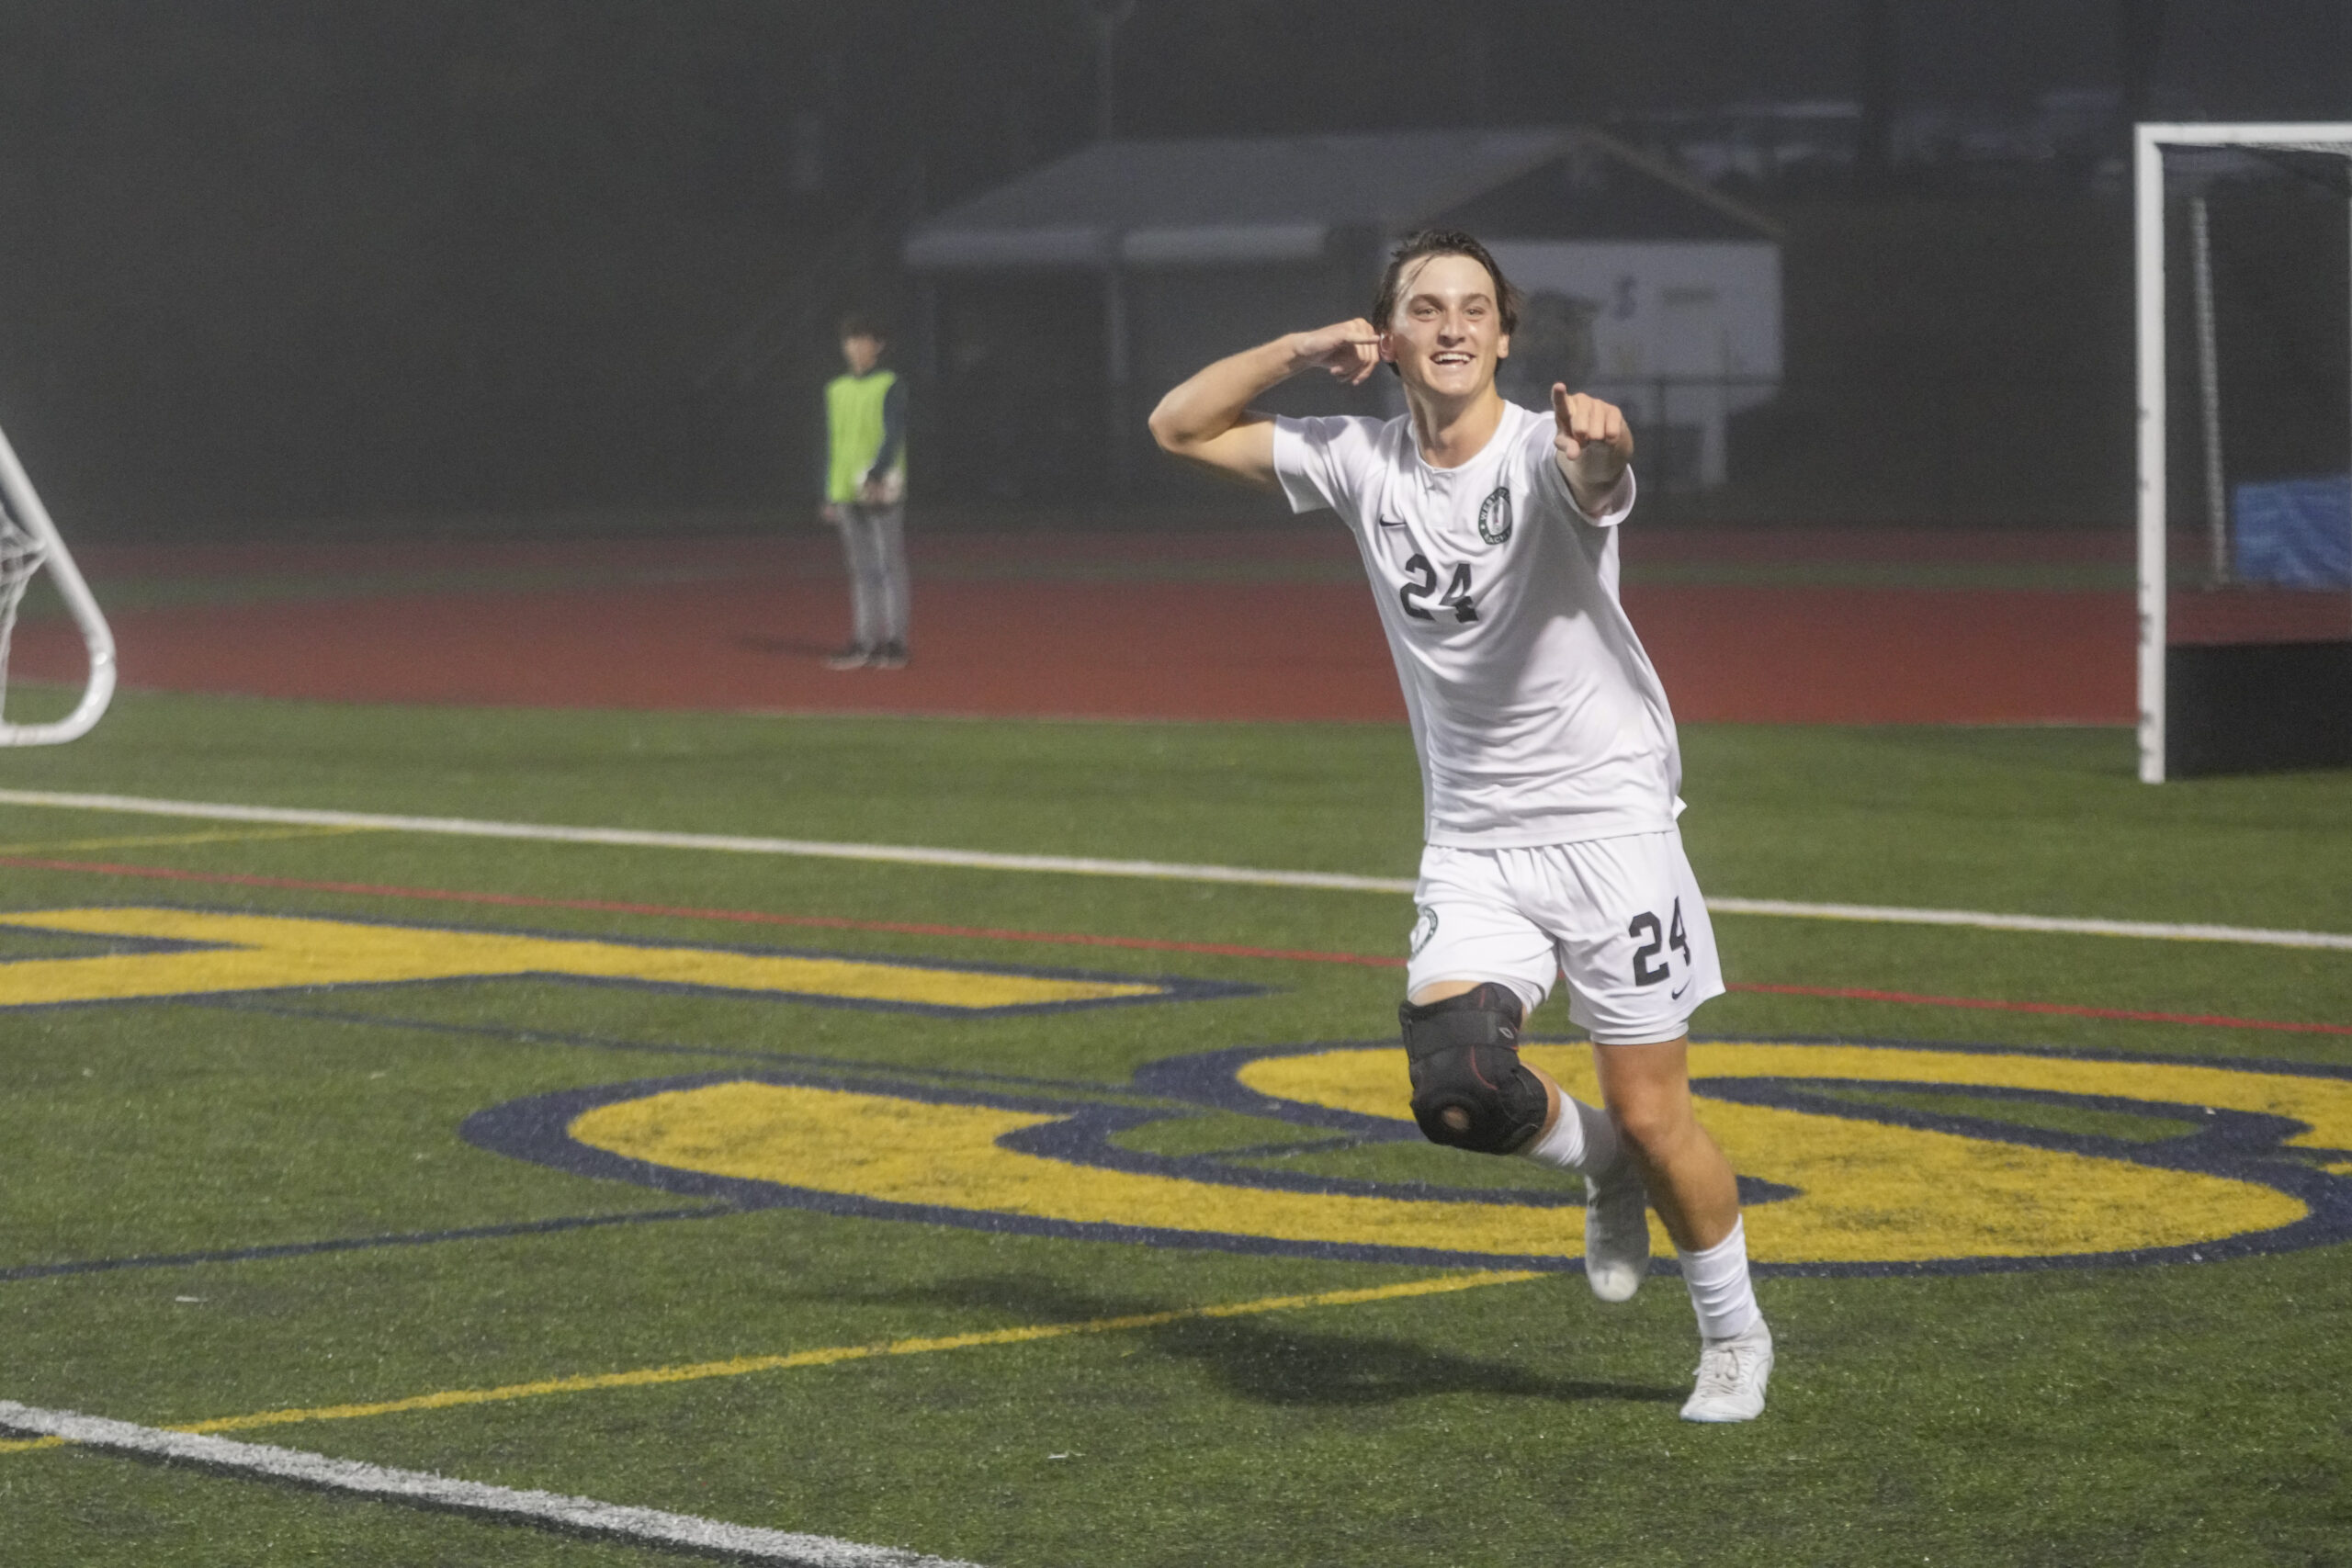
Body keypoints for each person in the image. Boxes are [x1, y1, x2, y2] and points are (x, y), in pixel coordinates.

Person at [1147, 230, 1771, 1423]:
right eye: (1424, 307)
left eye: (1474, 308)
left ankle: (1733, 1332)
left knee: (1656, 1109)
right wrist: (1298, 346)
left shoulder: (1551, 448)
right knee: (1459, 1089)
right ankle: (1600, 1165)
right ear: (1387, 337)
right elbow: (1178, 425)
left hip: (1612, 829)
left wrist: (1609, 454)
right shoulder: (1356, 460)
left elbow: (1598, 487)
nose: (1451, 325)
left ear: (1504, 334)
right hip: (1476, 839)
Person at [820, 314, 910, 670]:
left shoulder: (891, 384)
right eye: (850, 340)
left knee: (889, 564)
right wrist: (828, 490)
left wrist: (877, 471)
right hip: (845, 489)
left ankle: (895, 642)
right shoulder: (835, 389)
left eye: (862, 339)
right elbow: (832, 443)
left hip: (880, 487)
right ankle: (864, 640)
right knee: (861, 569)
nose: (854, 347)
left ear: (878, 346)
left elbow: (893, 432)